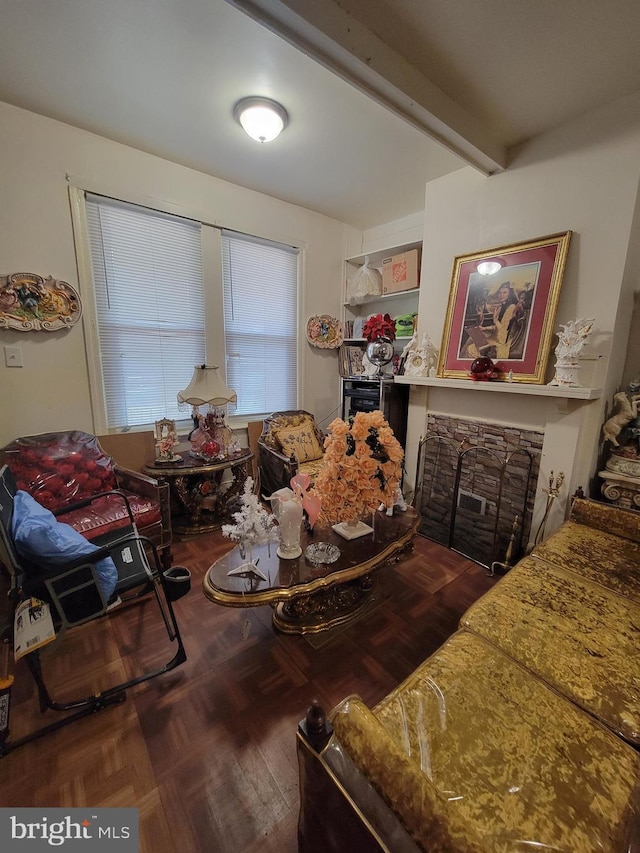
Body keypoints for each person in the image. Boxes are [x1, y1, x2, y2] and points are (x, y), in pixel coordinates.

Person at [462, 283, 524, 360]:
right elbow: (499, 326)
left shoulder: (511, 308)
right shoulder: (501, 307)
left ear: (509, 294)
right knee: (473, 335)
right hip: (497, 337)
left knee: (470, 348)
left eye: (504, 292)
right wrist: (485, 328)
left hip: (501, 342)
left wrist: (495, 319)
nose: (501, 295)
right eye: (500, 293)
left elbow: (503, 332)